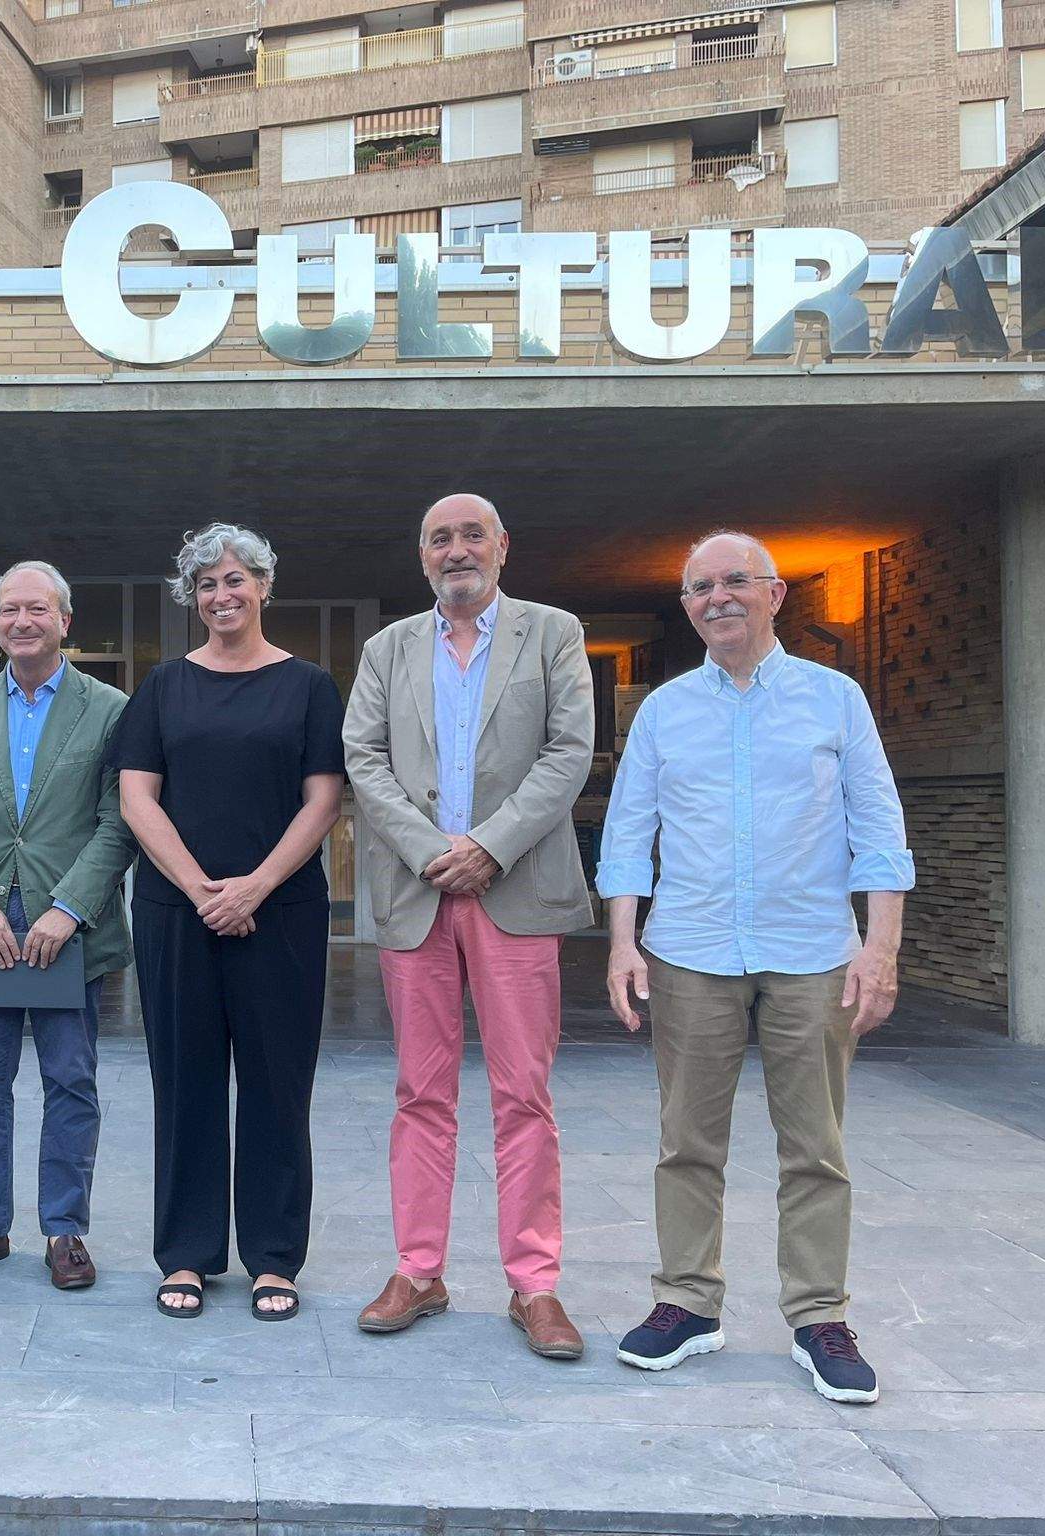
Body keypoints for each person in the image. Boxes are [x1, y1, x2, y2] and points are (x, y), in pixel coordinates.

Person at [599, 529, 913, 1405]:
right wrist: (624, 941)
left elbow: (879, 832)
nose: (718, 598)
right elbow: (629, 833)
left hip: (813, 953)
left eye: (737, 581)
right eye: (700, 587)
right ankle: (686, 1303)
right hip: (691, 952)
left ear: (777, 594)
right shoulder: (664, 710)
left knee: (816, 1148)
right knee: (685, 1143)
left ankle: (818, 1316)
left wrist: (879, 951)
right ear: (689, 605)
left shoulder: (835, 700)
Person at [343, 493, 594, 1358]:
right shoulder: (386, 649)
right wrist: (427, 850)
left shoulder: (552, 633)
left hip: (515, 889)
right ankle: (419, 1270)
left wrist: (487, 846)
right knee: (421, 1093)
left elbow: (570, 752)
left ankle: (536, 1285)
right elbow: (363, 759)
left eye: (471, 535)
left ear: (502, 546)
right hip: (418, 896)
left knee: (525, 1093)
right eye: (440, 538)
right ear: (422, 557)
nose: (457, 550)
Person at [112, 524, 344, 1322]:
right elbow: (136, 796)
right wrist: (202, 887)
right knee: (186, 1084)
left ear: (265, 586)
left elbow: (324, 801)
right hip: (177, 915)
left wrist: (253, 888)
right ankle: (187, 1252)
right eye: (207, 584)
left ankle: (274, 1258)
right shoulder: (162, 688)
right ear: (191, 597)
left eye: (237, 579)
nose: (223, 595)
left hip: (281, 915)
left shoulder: (310, 686)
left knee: (280, 1085)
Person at [0, 561, 137, 1289]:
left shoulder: (109, 709)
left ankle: (65, 1230)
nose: (22, 621)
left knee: (70, 1081)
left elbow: (118, 823)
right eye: (9, 609)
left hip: (65, 929)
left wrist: (68, 909)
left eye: (37, 609)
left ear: (64, 621)